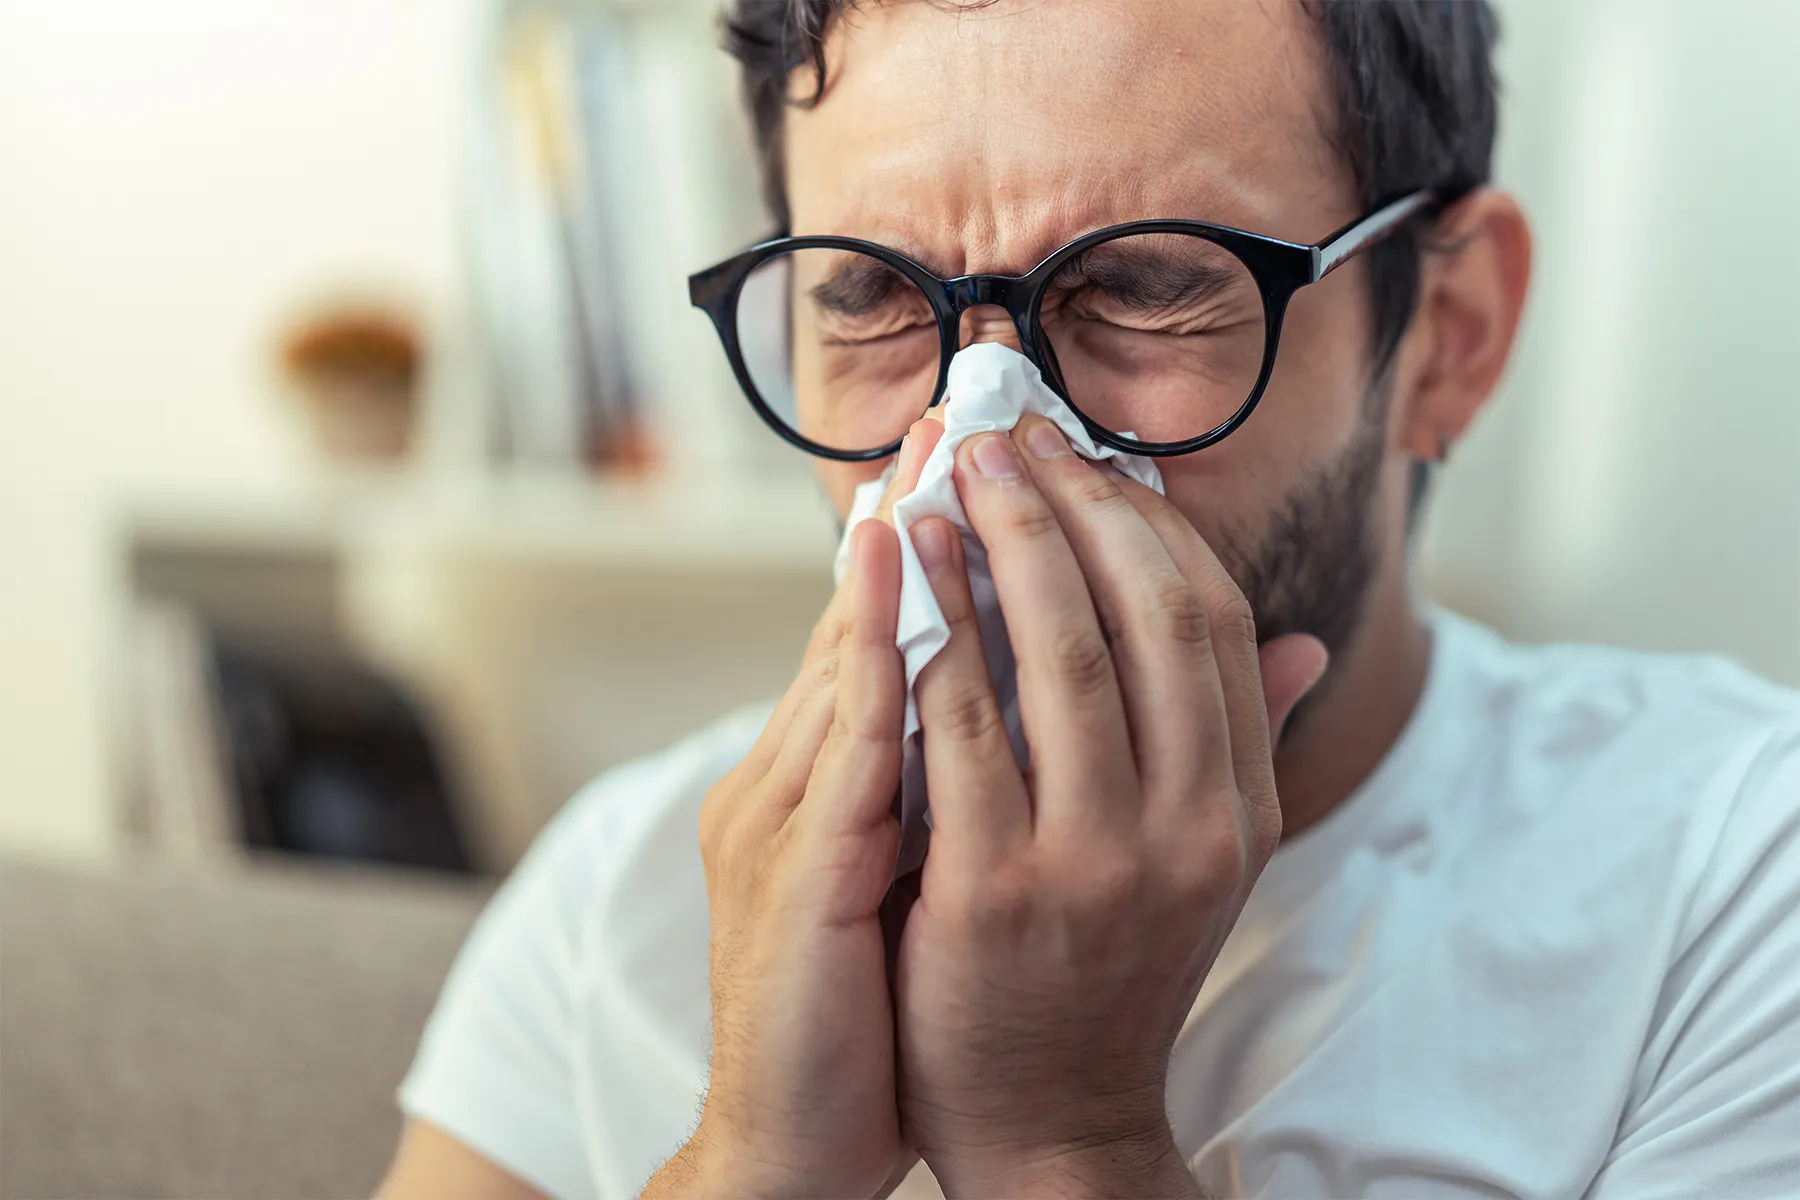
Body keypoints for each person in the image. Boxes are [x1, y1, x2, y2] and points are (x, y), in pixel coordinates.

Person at [378, 2, 1800, 1197]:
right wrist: (751, 1159)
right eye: (868, 299)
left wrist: (1059, 1138)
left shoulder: (1733, 887)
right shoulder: (619, 896)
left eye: (1141, 287)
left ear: (1449, 337)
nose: (980, 441)